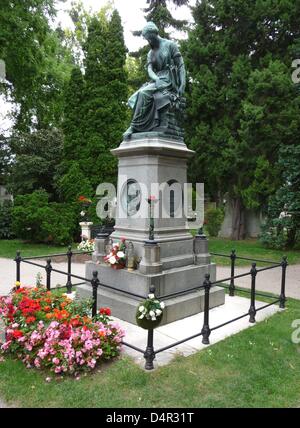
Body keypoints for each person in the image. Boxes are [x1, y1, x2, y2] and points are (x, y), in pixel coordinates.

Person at [124, 22, 186, 140]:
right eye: (147, 39)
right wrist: (156, 79)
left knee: (143, 93)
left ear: (154, 34)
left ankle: (133, 126)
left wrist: (182, 84)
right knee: (136, 96)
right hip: (157, 79)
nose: (148, 42)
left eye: (149, 38)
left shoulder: (170, 45)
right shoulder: (150, 53)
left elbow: (181, 65)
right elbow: (149, 69)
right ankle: (142, 126)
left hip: (169, 80)